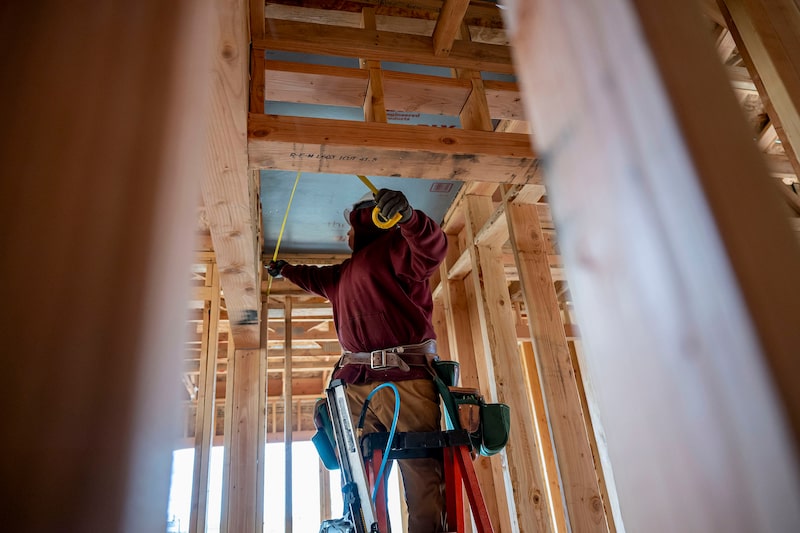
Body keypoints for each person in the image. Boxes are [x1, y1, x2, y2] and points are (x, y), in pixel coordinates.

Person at [267, 188, 448, 532]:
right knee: (360, 480)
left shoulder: (397, 251)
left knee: (420, 473)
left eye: (349, 227)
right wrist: (286, 270)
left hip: (403, 377)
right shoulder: (343, 275)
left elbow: (432, 248)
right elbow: (313, 278)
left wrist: (410, 219)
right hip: (356, 387)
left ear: (366, 221)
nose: (346, 234)